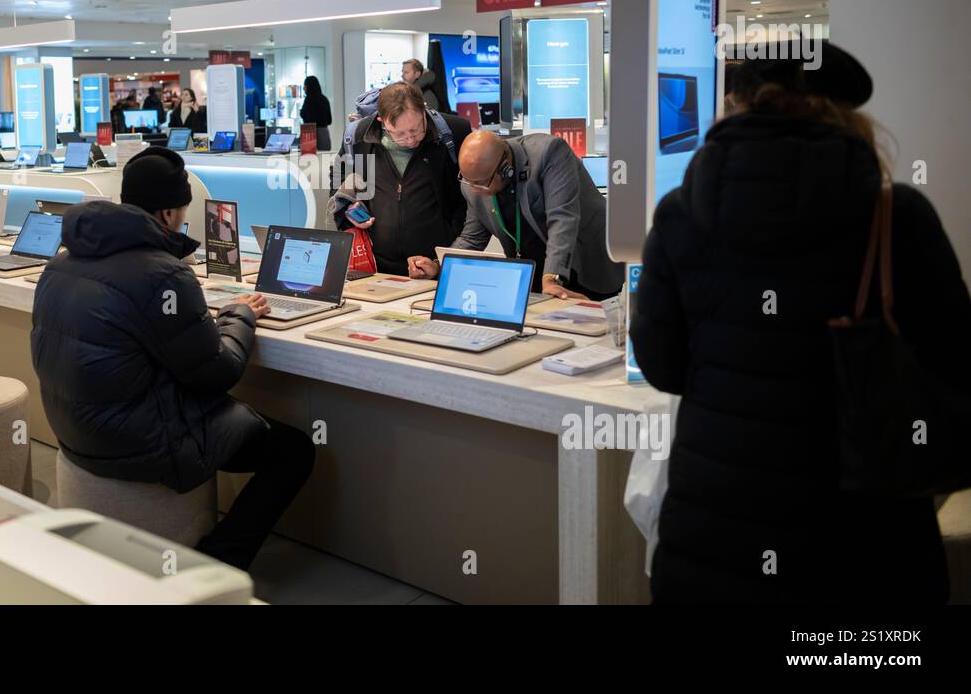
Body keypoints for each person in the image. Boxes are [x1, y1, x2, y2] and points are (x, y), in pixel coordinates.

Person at [632, 42, 970, 605]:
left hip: (714, 532)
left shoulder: (678, 214)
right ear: (846, 116)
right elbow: (956, 370)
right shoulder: (897, 217)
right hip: (864, 542)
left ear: (735, 107)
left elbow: (662, 367)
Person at [31, 147, 315, 570]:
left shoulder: (62, 262)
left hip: (74, 431)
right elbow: (219, 373)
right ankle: (222, 562)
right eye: (183, 209)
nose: (185, 217)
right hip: (139, 443)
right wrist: (238, 314)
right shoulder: (162, 273)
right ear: (167, 214)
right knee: (294, 450)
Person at [408, 130, 623, 300]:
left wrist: (552, 277)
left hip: (586, 262)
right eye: (468, 181)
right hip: (534, 273)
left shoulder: (549, 152)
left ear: (505, 169)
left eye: (481, 184)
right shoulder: (475, 182)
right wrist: (438, 265)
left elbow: (562, 219)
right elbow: (472, 238)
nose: (475, 190)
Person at [330, 82, 470, 276]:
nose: (411, 139)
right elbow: (337, 176)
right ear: (381, 120)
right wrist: (348, 211)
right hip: (376, 267)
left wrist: (443, 260)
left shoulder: (454, 132)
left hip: (435, 265)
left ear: (424, 110)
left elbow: (467, 200)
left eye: (415, 129)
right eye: (400, 134)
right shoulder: (359, 136)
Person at [298, 75, 333, 151]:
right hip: (324, 134)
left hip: (310, 134)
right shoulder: (324, 99)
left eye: (305, 85)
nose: (304, 88)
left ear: (309, 86)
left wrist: (301, 112)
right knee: (324, 159)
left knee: (310, 160)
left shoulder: (308, 100)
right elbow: (329, 120)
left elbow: (308, 118)